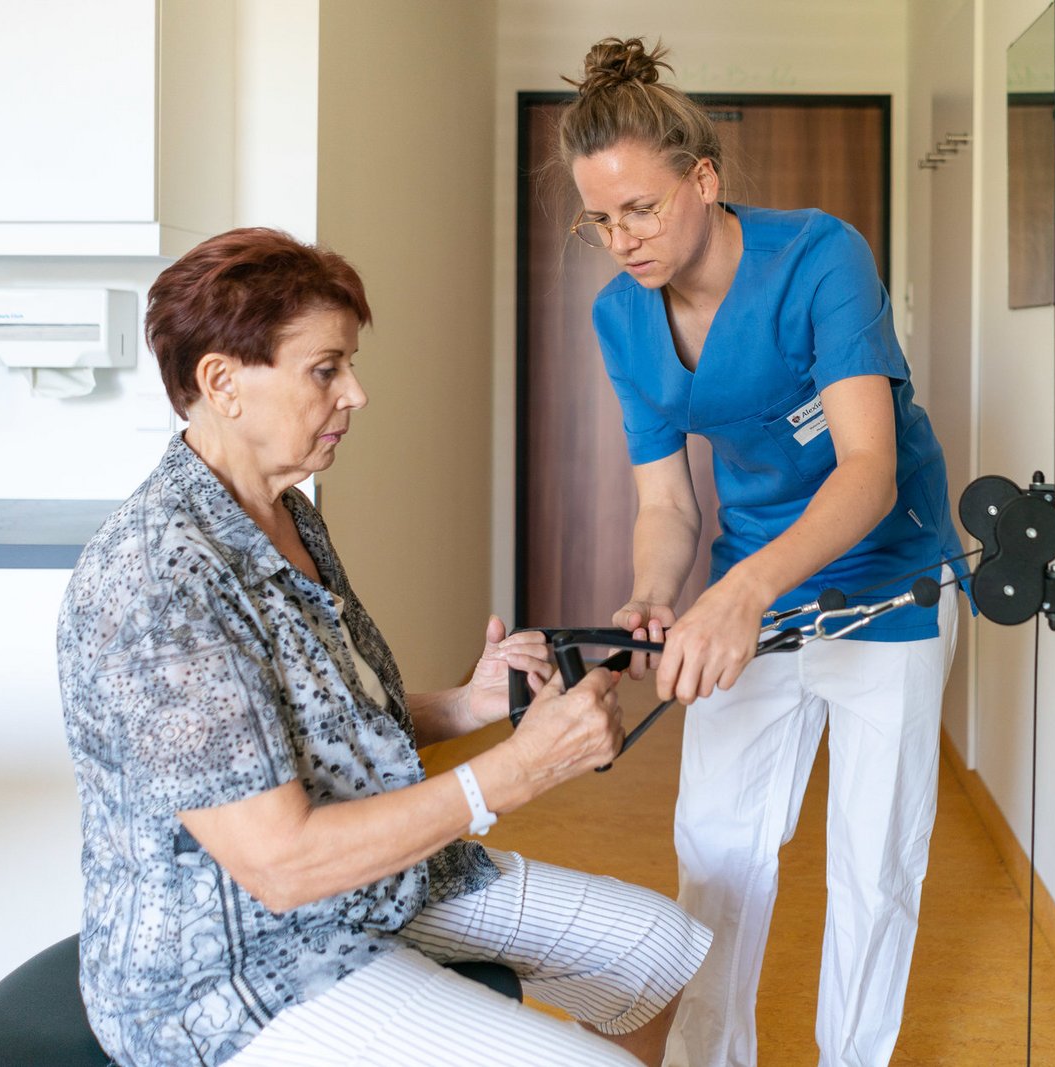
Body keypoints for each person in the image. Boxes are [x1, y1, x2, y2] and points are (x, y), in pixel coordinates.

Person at [56, 227, 711, 1067]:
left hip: (360, 890)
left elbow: (309, 731)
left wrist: (466, 704)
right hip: (231, 971)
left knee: (652, 950)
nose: (356, 393)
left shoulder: (284, 512)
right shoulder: (159, 582)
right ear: (222, 381)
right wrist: (519, 769)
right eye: (326, 369)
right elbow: (280, 863)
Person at [557, 38, 969, 1067]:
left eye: (640, 209)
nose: (622, 239)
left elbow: (867, 467)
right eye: (599, 219)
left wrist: (739, 592)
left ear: (704, 179)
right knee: (719, 851)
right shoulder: (622, 316)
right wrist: (656, 594)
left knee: (874, 866)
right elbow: (665, 501)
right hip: (755, 592)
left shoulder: (819, 255)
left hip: (890, 585)